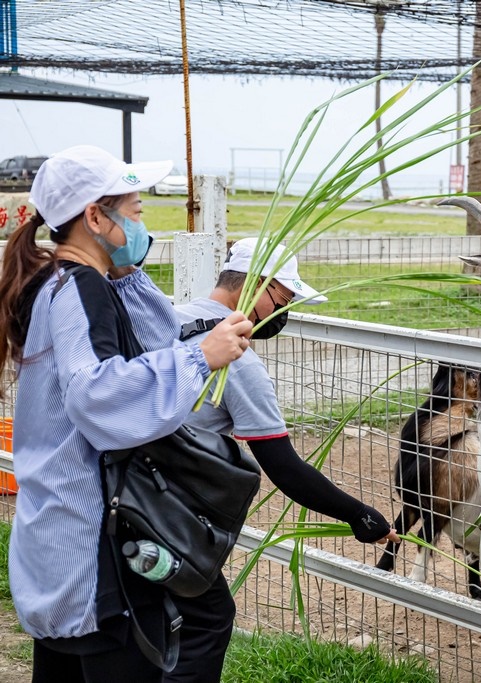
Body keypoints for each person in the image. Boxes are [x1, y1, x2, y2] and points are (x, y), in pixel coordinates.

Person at [0, 145, 253, 682]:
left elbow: (151, 340)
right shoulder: (80, 289)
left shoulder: (58, 283)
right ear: (96, 216)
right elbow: (98, 395)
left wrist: (131, 277)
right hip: (95, 543)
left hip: (55, 533)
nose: (142, 224)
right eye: (136, 212)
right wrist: (201, 356)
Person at [119, 236, 400, 682]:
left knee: (145, 619)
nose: (283, 314)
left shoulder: (166, 321)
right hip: (166, 512)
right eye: (283, 299)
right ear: (258, 286)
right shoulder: (238, 364)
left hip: (120, 493)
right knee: (208, 619)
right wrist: (358, 514)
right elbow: (284, 468)